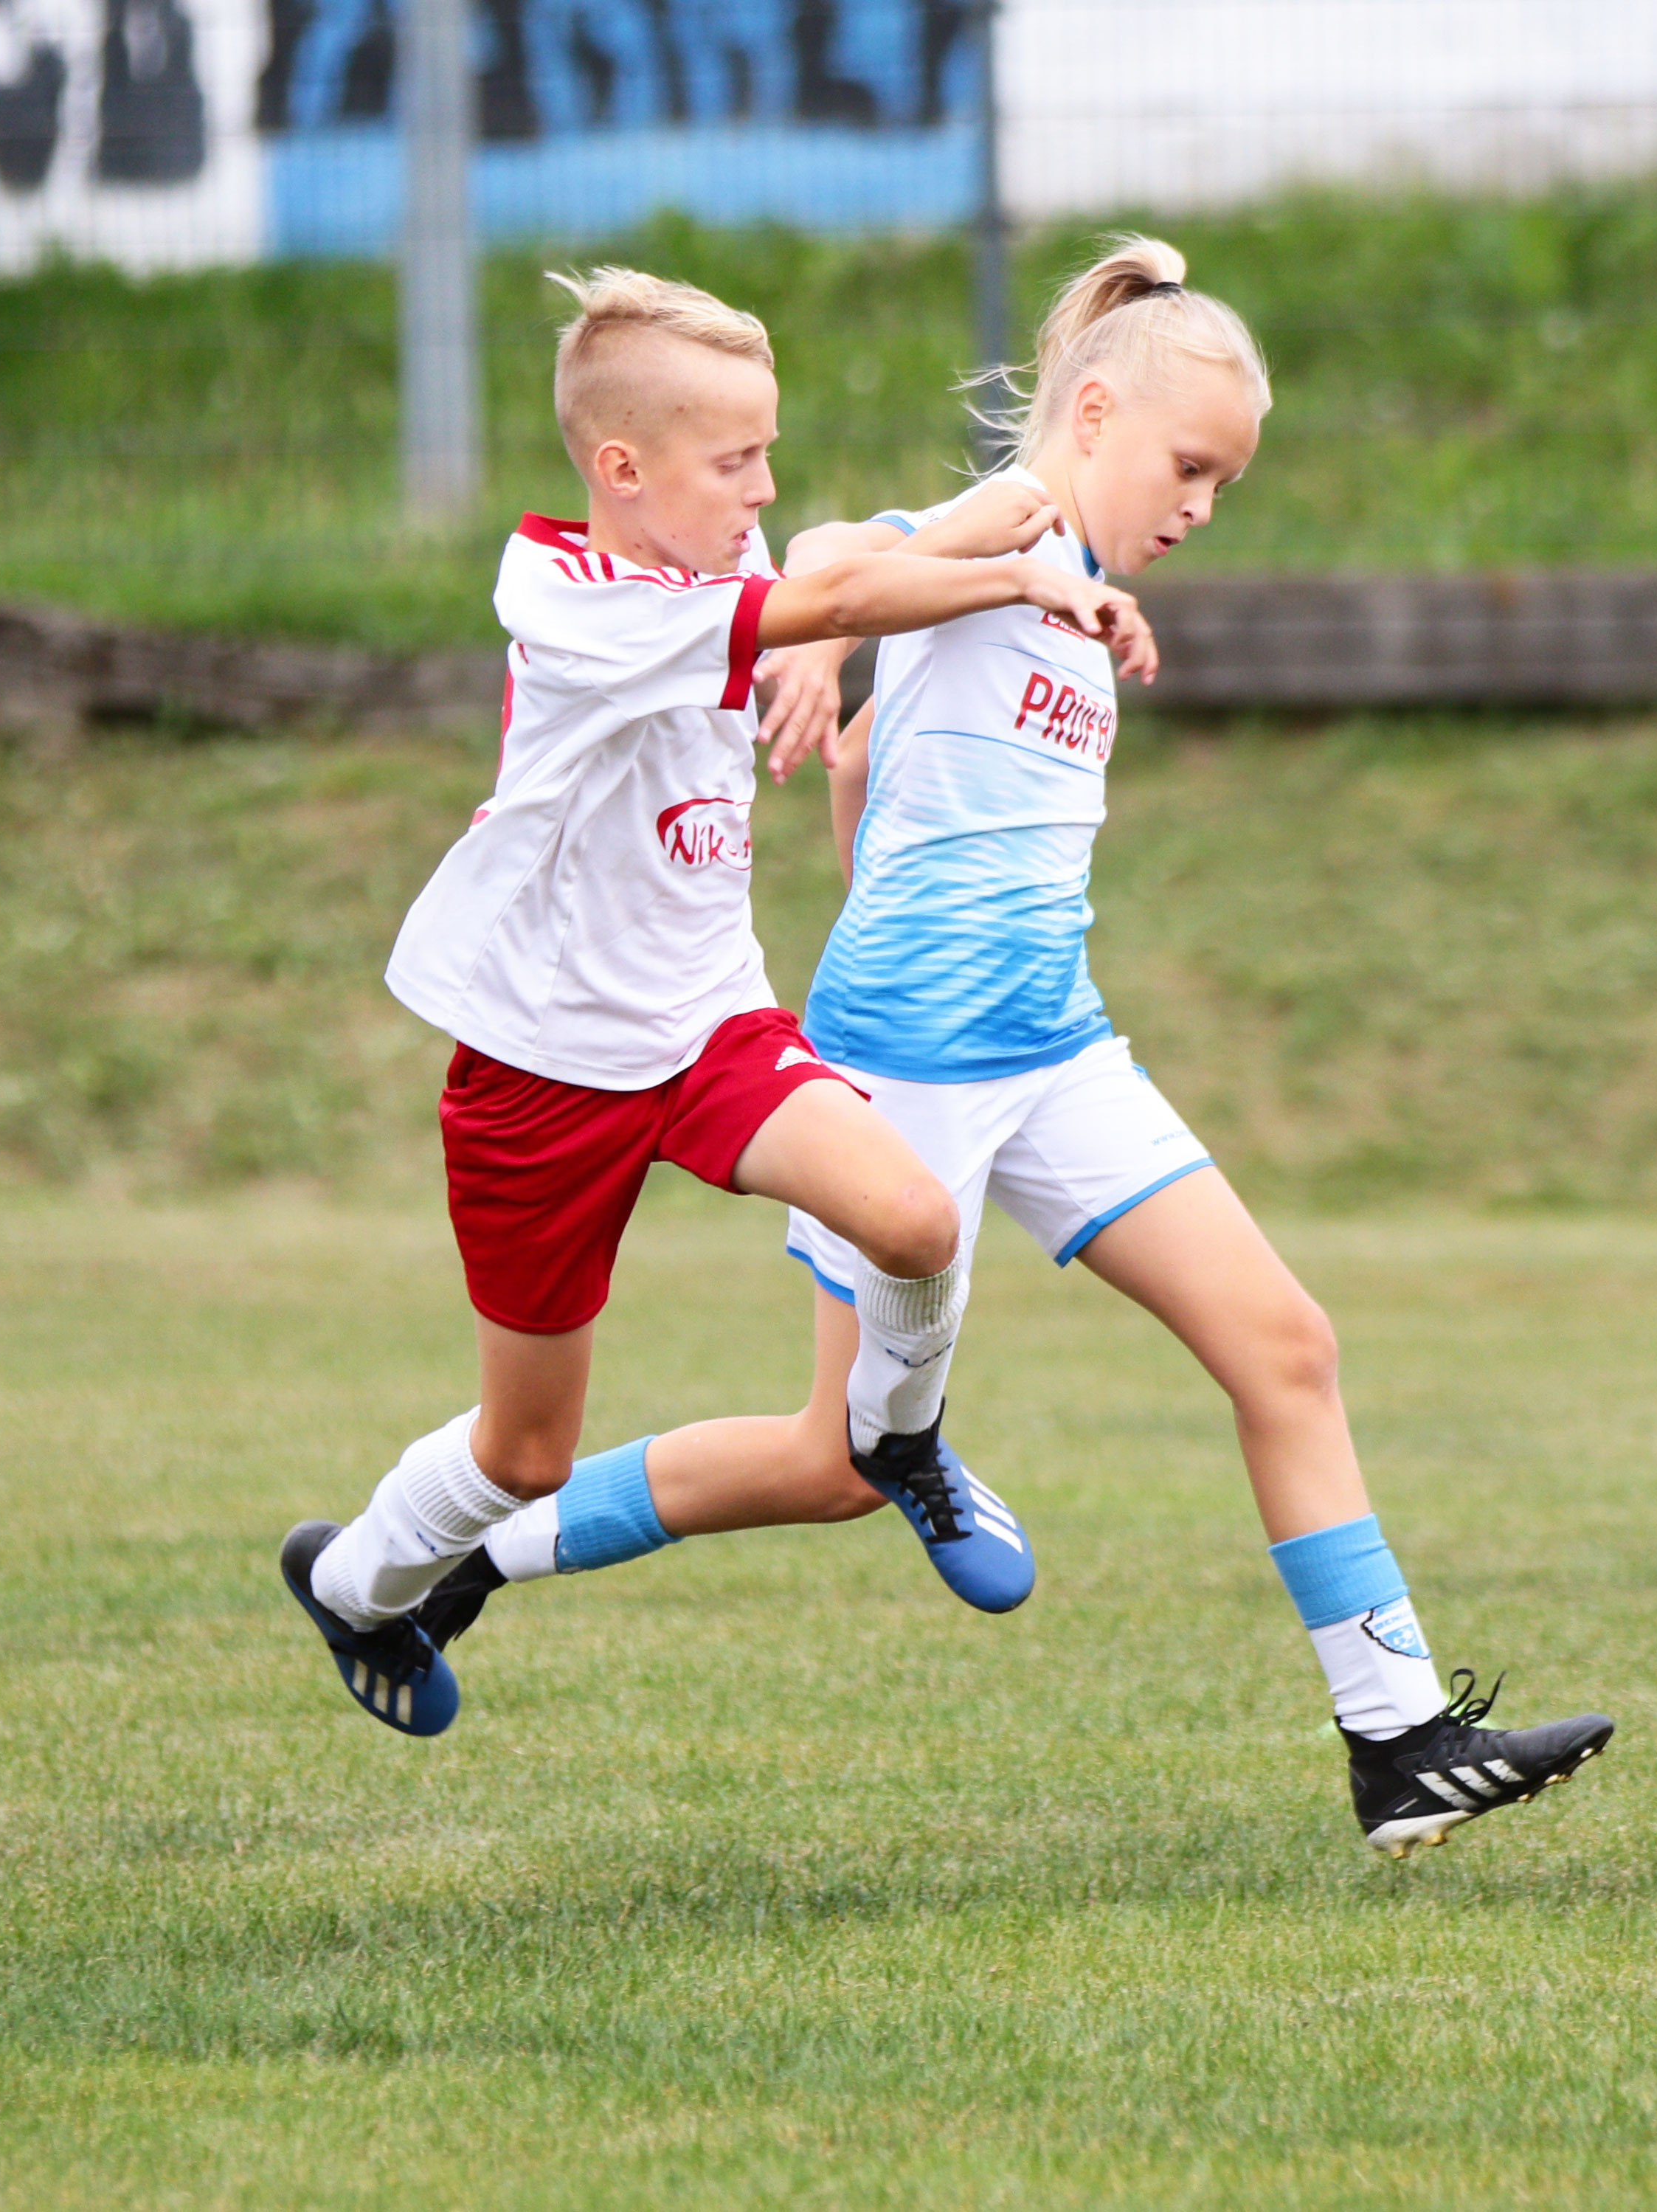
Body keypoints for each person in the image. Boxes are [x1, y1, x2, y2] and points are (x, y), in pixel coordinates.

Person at [426, 239, 1614, 1859]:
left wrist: (855, 771)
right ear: (1098, 409)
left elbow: (878, 773)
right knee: (832, 1460)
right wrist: (822, 638)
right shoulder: (1003, 533)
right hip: (908, 1063)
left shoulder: (1083, 595)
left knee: (1285, 1343)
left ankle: (1396, 1740)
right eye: (1189, 466)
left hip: (1055, 1048)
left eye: (1225, 484)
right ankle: (483, 1554)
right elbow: (850, 549)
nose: (1200, 504)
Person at [279, 266, 1153, 1737]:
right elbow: (834, 587)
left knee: (915, 1219)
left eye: (766, 452)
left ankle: (901, 1440)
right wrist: (1012, 570)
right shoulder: (570, 597)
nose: (760, 486)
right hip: (541, 1074)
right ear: (620, 469)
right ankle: (358, 1581)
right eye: (729, 460)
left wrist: (992, 532)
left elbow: (827, 577)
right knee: (524, 1450)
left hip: (707, 1033)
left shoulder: (707, 576)